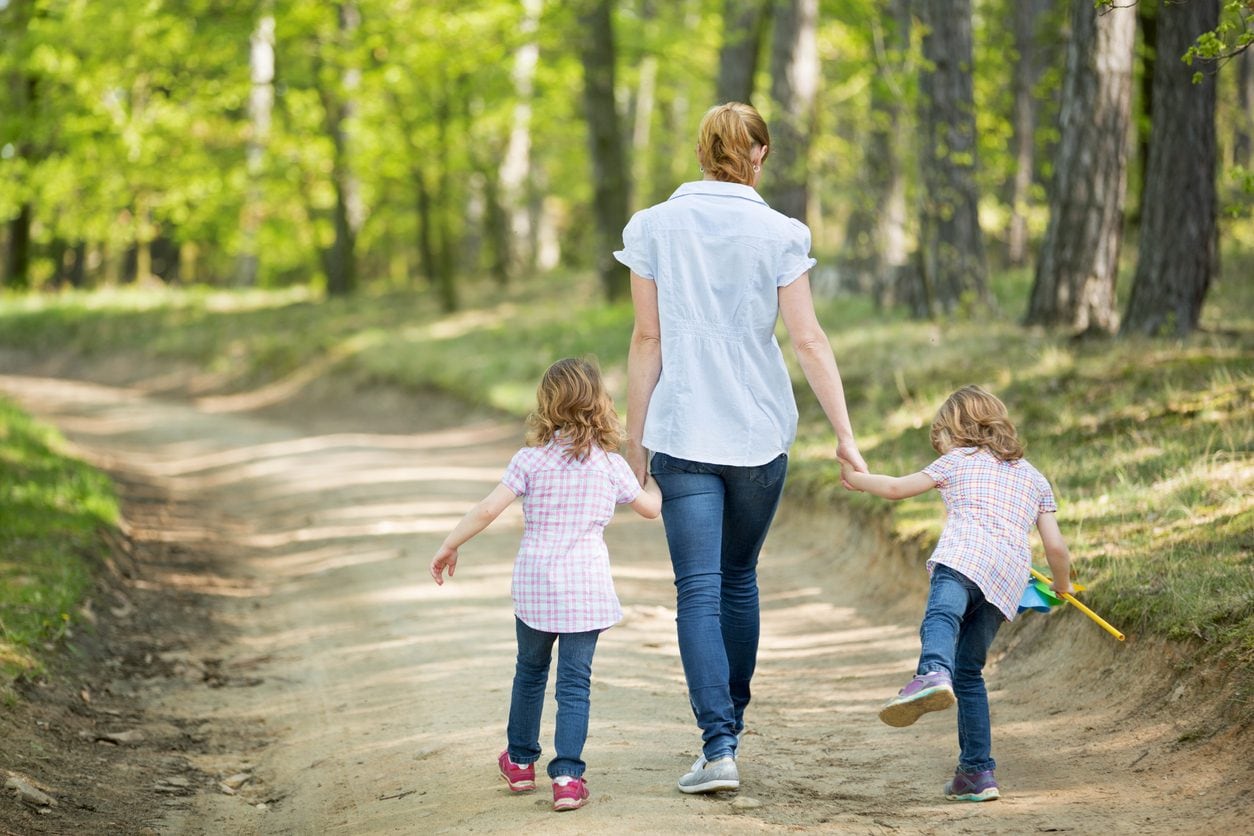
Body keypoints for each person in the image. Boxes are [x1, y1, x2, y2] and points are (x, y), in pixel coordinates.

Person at [614, 101, 867, 794]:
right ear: (759, 154)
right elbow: (809, 339)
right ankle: (734, 724)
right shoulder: (781, 232)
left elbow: (647, 339)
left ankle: (717, 744)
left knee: (697, 590)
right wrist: (845, 437)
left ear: (702, 151)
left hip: (685, 429)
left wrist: (634, 446)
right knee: (738, 579)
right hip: (758, 433)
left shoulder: (654, 228)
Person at [429, 358, 662, 812]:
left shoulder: (529, 460)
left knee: (530, 673)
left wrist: (449, 545)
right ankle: (569, 778)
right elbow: (650, 509)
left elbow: (485, 510)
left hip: (536, 585)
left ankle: (519, 764)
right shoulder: (611, 467)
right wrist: (651, 477)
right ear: (600, 406)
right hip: (586, 589)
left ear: (546, 407)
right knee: (575, 684)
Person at [839, 384, 1075, 803]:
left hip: (964, 558)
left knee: (941, 618)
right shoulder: (1035, 477)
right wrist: (1061, 586)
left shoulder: (958, 459)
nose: (939, 444)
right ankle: (977, 773)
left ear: (957, 430)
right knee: (969, 674)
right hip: (1007, 581)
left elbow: (895, 488)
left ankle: (930, 672)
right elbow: (1055, 547)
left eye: (940, 436)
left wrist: (856, 478)